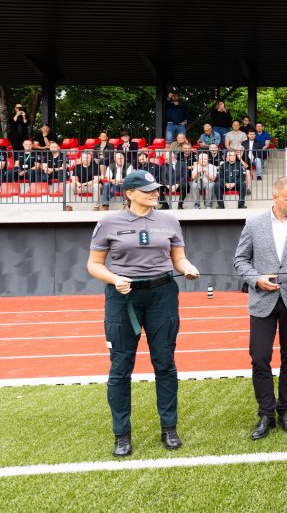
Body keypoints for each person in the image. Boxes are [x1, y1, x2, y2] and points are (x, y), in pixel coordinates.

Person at [87, 169, 200, 457]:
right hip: (122, 297)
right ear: (129, 193)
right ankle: (121, 434)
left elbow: (178, 258)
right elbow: (94, 265)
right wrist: (115, 279)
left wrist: (186, 268)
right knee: (120, 367)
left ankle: (169, 428)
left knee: (165, 362)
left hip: (162, 295)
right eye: (148, 189)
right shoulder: (108, 222)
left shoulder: (169, 220)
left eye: (156, 189)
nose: (154, 193)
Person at [234, 177, 287, 440]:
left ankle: (285, 410)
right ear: (275, 197)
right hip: (262, 300)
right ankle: (265, 412)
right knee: (260, 357)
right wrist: (256, 279)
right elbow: (240, 260)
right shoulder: (253, 224)